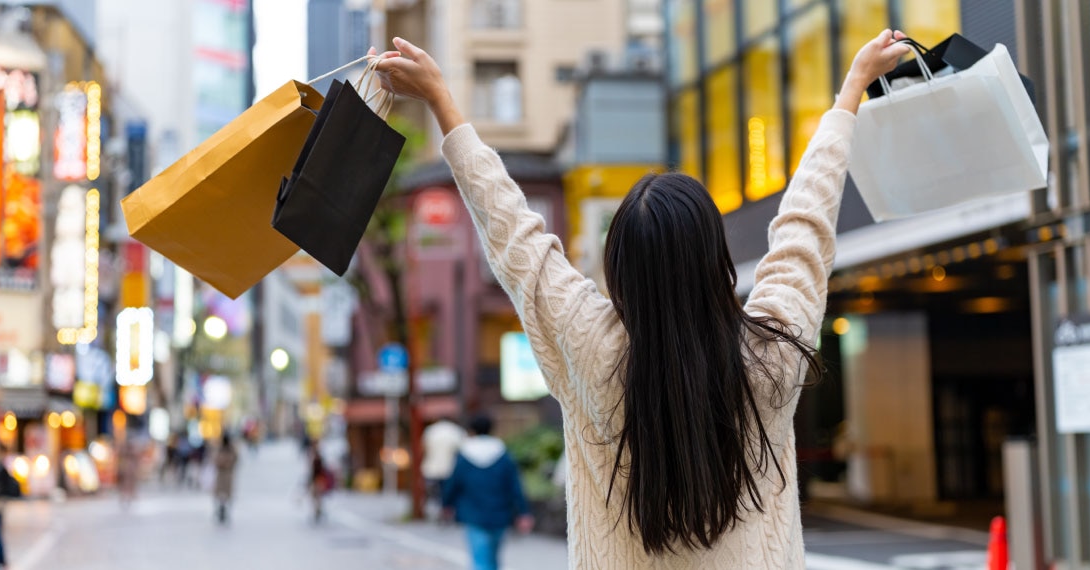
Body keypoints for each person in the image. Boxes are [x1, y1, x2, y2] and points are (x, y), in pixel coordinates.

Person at [373, 30, 909, 568]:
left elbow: (513, 232)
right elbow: (805, 224)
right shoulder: (772, 354)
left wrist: (442, 98)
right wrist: (850, 94)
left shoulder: (590, 346)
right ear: (716, 261)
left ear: (620, 272)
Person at [441, 415, 533, 570]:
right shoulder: (503, 454)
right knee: (494, 560)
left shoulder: (464, 455)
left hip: (473, 514)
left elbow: (453, 484)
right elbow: (515, 485)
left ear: (472, 431)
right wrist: (523, 512)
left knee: (480, 561)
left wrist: (446, 504)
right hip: (500, 513)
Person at [422, 417, 466, 513]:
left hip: (432, 467)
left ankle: (439, 510)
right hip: (451, 468)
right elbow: (463, 450)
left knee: (435, 493)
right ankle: (447, 510)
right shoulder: (456, 431)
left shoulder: (430, 430)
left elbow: (424, 448)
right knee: (449, 491)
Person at [213, 434, 239, 524]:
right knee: (220, 494)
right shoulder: (221, 449)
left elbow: (235, 459)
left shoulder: (230, 449)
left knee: (226, 495)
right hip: (222, 474)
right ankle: (220, 511)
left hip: (227, 474)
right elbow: (215, 460)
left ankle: (225, 511)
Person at [307, 447, 333, 523]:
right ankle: (318, 511)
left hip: (318, 481)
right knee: (317, 498)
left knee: (317, 498)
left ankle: (318, 511)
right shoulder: (318, 461)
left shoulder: (317, 461)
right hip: (318, 481)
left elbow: (314, 473)